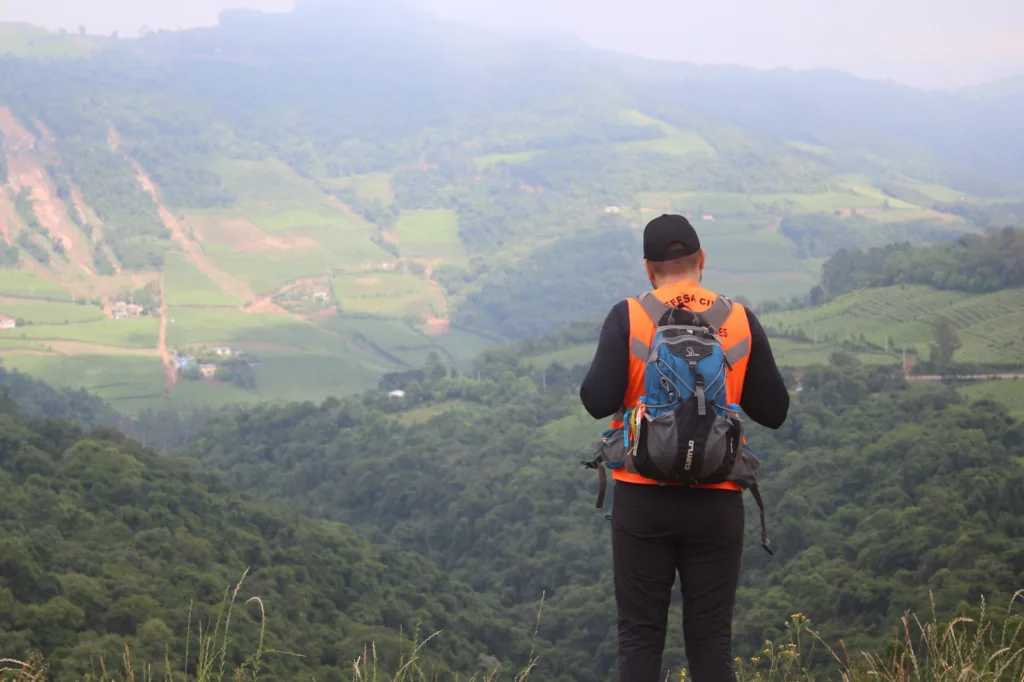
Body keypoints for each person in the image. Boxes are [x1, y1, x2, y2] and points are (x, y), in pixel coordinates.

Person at [579, 214, 791, 682]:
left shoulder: (629, 316)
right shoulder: (738, 319)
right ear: (702, 261)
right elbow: (774, 410)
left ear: (648, 269)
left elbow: (595, 401)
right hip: (717, 500)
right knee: (711, 639)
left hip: (642, 497)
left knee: (639, 635)